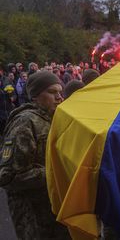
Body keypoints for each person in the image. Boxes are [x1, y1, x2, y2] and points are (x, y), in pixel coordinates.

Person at [0, 71, 70, 239]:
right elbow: (8, 176)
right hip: (34, 217)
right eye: (52, 92)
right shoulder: (25, 122)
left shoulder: (52, 117)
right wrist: (56, 173)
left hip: (53, 209)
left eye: (60, 92)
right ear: (35, 96)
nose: (59, 97)